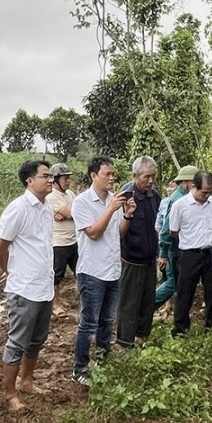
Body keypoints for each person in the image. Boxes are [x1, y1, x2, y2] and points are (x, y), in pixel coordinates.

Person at [0, 160, 55, 411]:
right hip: (24, 288)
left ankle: (26, 381)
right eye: (45, 176)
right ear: (30, 181)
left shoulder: (47, 208)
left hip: (44, 286)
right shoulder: (18, 209)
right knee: (17, 341)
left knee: (37, 339)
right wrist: (9, 271)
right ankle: (10, 395)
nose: (50, 180)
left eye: (50, 176)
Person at [70, 156, 135, 385]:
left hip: (112, 270)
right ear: (93, 176)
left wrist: (127, 214)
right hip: (92, 272)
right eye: (107, 174)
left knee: (107, 320)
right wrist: (111, 208)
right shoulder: (82, 202)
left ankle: (103, 361)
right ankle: (80, 369)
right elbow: (94, 233)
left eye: (113, 174)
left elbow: (119, 233)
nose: (112, 178)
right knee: (89, 323)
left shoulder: (113, 200)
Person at [116, 156, 161, 348]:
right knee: (129, 302)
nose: (150, 181)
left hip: (150, 258)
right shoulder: (125, 195)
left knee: (147, 300)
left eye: (153, 176)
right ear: (134, 175)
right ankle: (125, 341)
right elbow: (118, 229)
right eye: (146, 177)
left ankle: (142, 337)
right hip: (131, 259)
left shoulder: (154, 195)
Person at [170, 170, 212, 336]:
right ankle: (180, 328)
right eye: (204, 192)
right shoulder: (180, 206)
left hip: (210, 253)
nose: (207, 195)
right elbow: (174, 231)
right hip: (189, 254)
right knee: (185, 292)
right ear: (193, 187)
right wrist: (190, 240)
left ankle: (211, 326)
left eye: (209, 192)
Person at [154, 165, 198, 320]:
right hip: (175, 250)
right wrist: (163, 253)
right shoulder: (179, 200)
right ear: (186, 183)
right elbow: (166, 229)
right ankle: (145, 307)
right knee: (173, 283)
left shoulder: (184, 197)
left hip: (179, 249)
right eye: (194, 183)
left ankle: (179, 317)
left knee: (179, 284)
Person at [47, 163, 78, 317]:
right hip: (59, 243)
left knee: (81, 270)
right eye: (65, 178)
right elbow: (72, 213)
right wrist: (69, 213)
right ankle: (55, 304)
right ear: (56, 180)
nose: (68, 181)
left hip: (73, 241)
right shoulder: (51, 197)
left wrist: (67, 214)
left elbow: (78, 211)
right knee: (57, 275)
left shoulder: (70, 194)